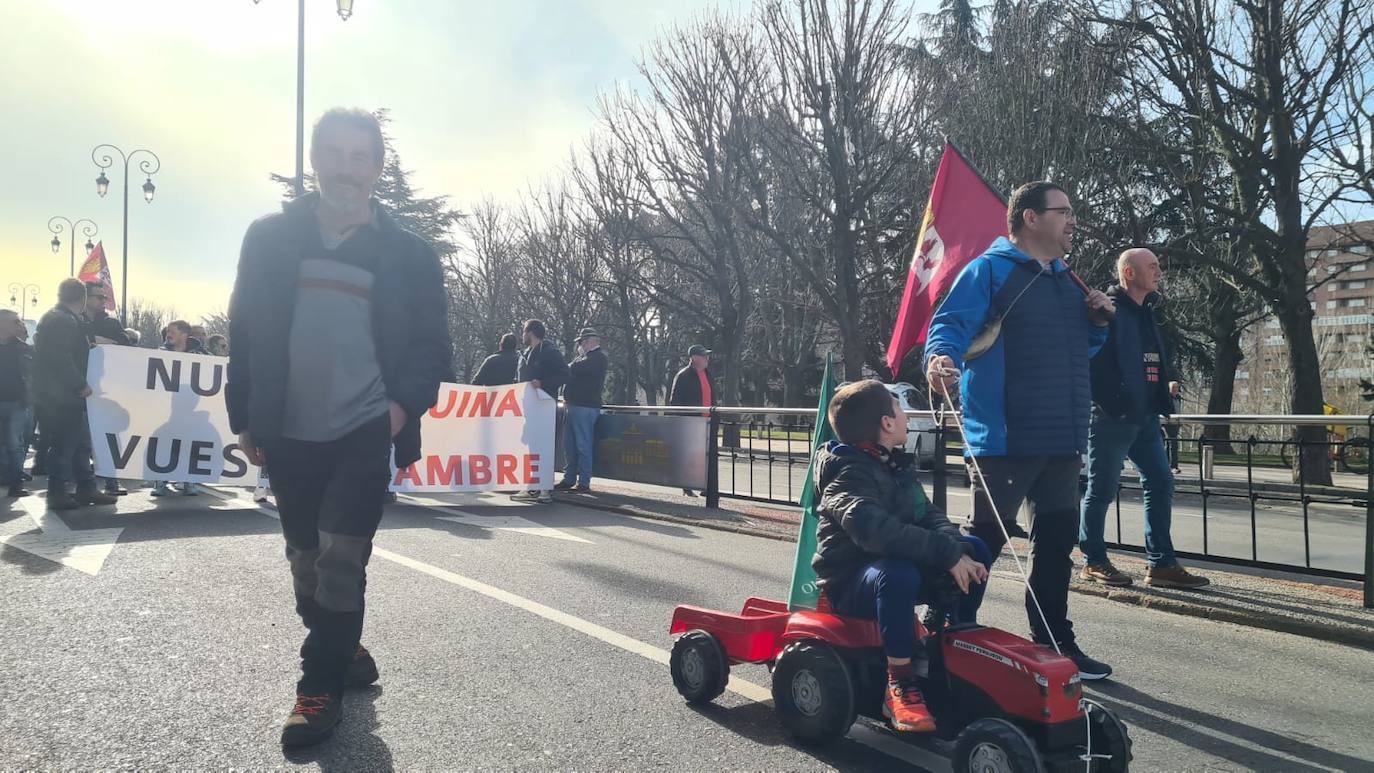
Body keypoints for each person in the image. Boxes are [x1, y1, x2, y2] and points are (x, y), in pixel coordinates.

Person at [226, 107, 451, 748]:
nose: (347, 169)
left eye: (361, 157)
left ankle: (317, 688)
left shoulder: (410, 255)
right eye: (335, 154)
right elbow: (244, 331)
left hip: (365, 427)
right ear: (315, 161)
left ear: (377, 169)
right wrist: (244, 415)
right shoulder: (269, 238)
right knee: (304, 557)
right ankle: (343, 647)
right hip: (288, 428)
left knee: (341, 559)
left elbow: (432, 347)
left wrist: (400, 409)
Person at [924, 181, 1115, 680]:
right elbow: (948, 326)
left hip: (1065, 438)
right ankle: (948, 633)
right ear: (1030, 218)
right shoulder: (988, 270)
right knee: (985, 541)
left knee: (1055, 548)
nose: (1074, 220)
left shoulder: (1068, 280)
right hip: (1005, 437)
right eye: (1064, 211)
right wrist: (938, 359)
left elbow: (1079, 355)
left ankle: (1055, 642)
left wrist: (1096, 326)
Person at [813, 380, 992, 733]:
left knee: (976, 549)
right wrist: (945, 554)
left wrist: (954, 547)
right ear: (886, 423)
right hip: (851, 582)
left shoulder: (892, 465)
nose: (907, 414)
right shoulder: (847, 473)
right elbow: (875, 533)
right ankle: (899, 683)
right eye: (899, 408)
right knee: (896, 573)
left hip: (892, 567)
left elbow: (927, 513)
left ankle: (949, 640)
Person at [1079, 249, 1209, 589]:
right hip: (1113, 417)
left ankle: (1161, 565)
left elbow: (1147, 357)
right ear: (1129, 273)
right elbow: (1093, 363)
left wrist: (1162, 385)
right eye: (1152, 266)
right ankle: (1093, 560)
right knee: (1102, 490)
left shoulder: (1146, 311)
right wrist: (1114, 403)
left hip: (1146, 415)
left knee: (1161, 482)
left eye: (1159, 266)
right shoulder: (1107, 310)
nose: (1160, 272)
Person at [31, 279, 117, 511]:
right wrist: (79, 384)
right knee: (64, 445)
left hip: (60, 394)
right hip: (62, 395)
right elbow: (60, 357)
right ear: (83, 298)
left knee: (80, 444)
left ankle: (86, 487)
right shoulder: (61, 320)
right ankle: (57, 492)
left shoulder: (61, 318)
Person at [82, 282, 131, 496]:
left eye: (105, 297)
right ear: (85, 298)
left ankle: (112, 481)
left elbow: (126, 348)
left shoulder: (111, 323)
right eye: (99, 297)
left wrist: (94, 342)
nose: (104, 301)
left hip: (107, 388)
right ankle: (83, 483)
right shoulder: (76, 321)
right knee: (81, 438)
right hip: (80, 388)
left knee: (110, 435)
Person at [152, 320, 210, 497]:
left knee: (189, 440)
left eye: (172, 332)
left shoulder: (202, 354)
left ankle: (189, 480)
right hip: (166, 405)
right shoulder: (159, 353)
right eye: (168, 332)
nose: (168, 335)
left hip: (191, 403)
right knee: (164, 440)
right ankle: (160, 480)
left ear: (184, 334)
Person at [512, 319, 567, 504]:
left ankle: (544, 488)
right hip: (530, 408)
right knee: (532, 448)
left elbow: (565, 374)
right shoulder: (526, 353)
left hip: (544, 407)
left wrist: (544, 384)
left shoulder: (549, 351)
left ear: (531, 332)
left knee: (543, 448)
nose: (522, 335)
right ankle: (532, 485)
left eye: (523, 331)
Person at [556, 328, 608, 493]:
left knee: (583, 445)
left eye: (582, 342)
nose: (580, 345)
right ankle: (569, 478)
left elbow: (575, 368)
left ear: (590, 341)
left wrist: (570, 365)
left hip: (585, 407)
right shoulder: (585, 357)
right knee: (569, 445)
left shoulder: (599, 357)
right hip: (573, 405)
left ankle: (584, 481)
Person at [669, 344, 715, 497]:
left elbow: (712, 396)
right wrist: (682, 422)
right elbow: (675, 401)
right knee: (691, 456)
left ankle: (706, 487)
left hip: (707, 421)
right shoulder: (683, 375)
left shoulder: (708, 374)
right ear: (694, 358)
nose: (707, 358)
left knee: (706, 456)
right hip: (691, 422)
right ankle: (687, 487)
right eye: (704, 356)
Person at [0, 310, 33, 498]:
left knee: (14, 444)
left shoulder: (24, 349)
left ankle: (16, 484)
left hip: (17, 403)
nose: (20, 325)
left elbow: (33, 374)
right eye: (16, 322)